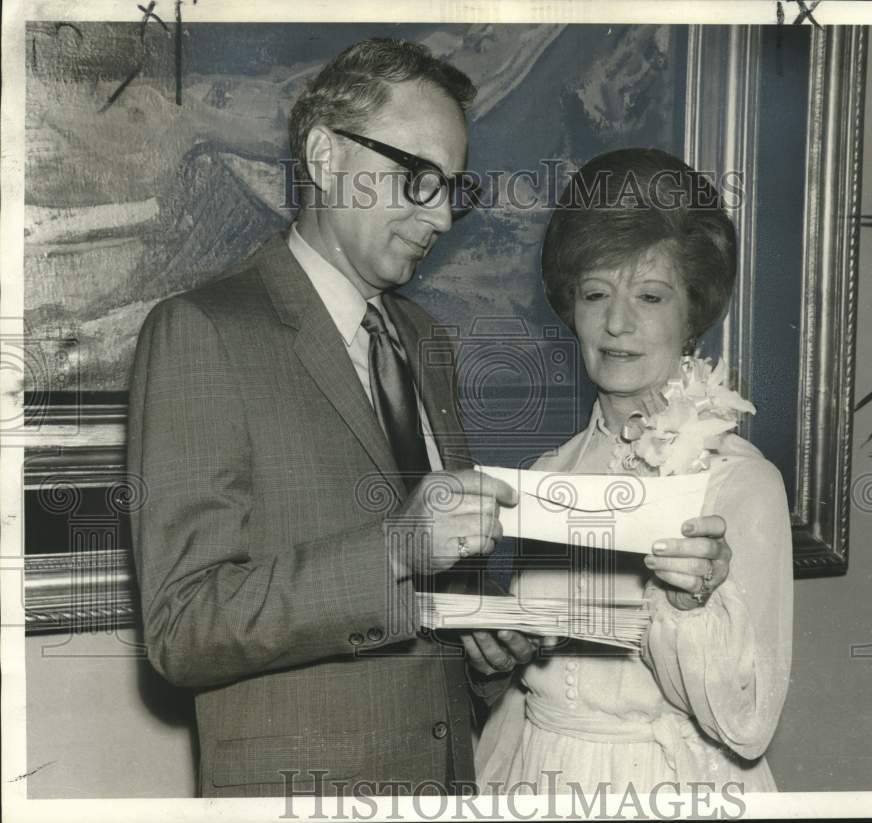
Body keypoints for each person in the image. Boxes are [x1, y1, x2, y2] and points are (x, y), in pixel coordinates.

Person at [127, 38, 541, 798]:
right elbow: (180, 629)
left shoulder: (426, 342)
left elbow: (428, 604)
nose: (443, 216)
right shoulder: (202, 331)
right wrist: (392, 550)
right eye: (417, 178)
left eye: (454, 188)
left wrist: (478, 642)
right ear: (324, 155)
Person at [475, 148, 793, 793]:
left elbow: (749, 724)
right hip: (535, 775)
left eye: (649, 295)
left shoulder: (739, 482)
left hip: (663, 785)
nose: (617, 323)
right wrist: (493, 654)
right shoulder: (543, 475)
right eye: (595, 293)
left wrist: (686, 603)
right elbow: (523, 681)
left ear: (693, 313)